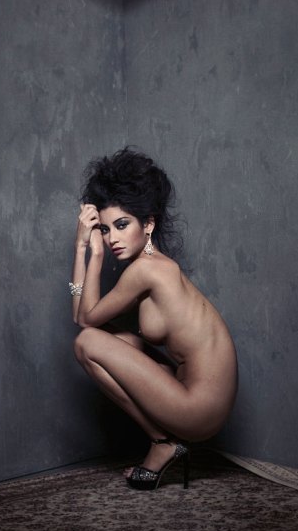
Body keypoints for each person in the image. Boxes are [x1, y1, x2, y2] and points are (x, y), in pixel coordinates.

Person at [70, 148, 238, 491]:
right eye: (105, 229)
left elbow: (84, 322)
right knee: (111, 339)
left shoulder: (146, 271)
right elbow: (81, 316)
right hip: (192, 392)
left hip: (201, 407)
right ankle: (166, 442)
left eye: (122, 225)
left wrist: (93, 251)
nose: (112, 238)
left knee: (88, 342)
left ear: (148, 224)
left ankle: (163, 443)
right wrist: (81, 247)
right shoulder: (151, 267)